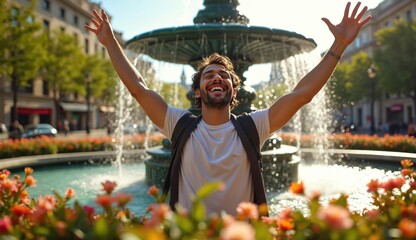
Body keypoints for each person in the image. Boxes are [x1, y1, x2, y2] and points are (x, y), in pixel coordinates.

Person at [86, 2, 371, 216]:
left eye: (223, 76)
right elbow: (138, 88)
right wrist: (111, 43)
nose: (217, 78)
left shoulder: (253, 126)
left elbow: (301, 94)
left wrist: (339, 44)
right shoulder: (178, 124)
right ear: (197, 91)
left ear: (234, 91)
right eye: (208, 75)